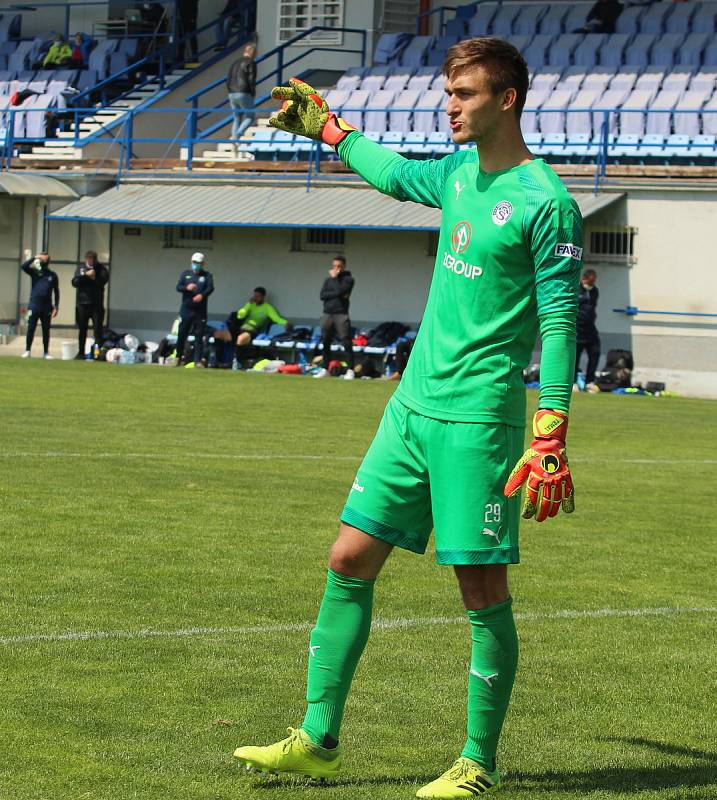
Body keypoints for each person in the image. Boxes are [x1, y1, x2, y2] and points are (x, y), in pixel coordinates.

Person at [234, 37, 582, 799]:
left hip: (477, 423)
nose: (449, 107)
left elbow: (559, 322)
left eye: (463, 95)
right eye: (447, 93)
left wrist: (549, 429)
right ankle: (317, 740)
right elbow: (392, 175)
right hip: (409, 411)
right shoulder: (457, 172)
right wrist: (331, 132)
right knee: (347, 559)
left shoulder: (545, 201)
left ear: (506, 100)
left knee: (480, 591)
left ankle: (476, 764)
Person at [314, 255, 355, 380]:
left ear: (344, 266)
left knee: (346, 341)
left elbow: (339, 291)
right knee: (326, 341)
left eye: (339, 266)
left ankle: (350, 370)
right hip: (327, 314)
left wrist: (334, 279)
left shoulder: (348, 279)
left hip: (341, 314)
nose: (336, 268)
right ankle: (325, 368)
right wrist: (336, 292)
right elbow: (322, 295)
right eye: (334, 266)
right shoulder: (328, 280)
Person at [224, 286, 289, 364]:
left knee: (241, 339)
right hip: (241, 328)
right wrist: (248, 304)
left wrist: (285, 323)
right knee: (222, 335)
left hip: (253, 330)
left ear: (263, 297)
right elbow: (240, 315)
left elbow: (276, 318)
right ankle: (218, 359)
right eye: (255, 296)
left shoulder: (267, 307)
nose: (256, 298)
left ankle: (237, 361)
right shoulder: (251, 305)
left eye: (258, 296)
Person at [175, 252, 214, 366]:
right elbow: (178, 287)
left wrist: (202, 295)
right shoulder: (185, 274)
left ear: (203, 264)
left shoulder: (207, 276)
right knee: (182, 334)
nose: (195, 265)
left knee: (199, 335)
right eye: (194, 262)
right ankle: (178, 357)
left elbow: (210, 288)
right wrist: (187, 287)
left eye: (198, 263)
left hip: (200, 311)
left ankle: (197, 361)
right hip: (186, 309)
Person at [21, 253, 59, 359]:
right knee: (31, 328)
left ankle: (46, 352)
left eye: (45, 260)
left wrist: (56, 306)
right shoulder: (35, 272)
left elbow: (56, 291)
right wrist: (34, 258)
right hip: (33, 305)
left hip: (47, 307)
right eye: (41, 260)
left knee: (46, 330)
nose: (43, 262)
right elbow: (23, 266)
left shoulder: (52, 275)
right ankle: (27, 350)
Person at [72, 250, 109, 360]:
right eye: (89, 259)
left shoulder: (101, 269)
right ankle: (81, 352)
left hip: (96, 304)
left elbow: (103, 281)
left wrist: (94, 278)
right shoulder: (81, 268)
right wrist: (85, 275)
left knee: (98, 330)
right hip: (82, 304)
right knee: (82, 329)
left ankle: (97, 353)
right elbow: (75, 282)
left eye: (93, 259)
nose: (91, 261)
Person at [227, 42, 257, 146]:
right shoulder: (251, 62)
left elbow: (228, 79)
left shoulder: (235, 63)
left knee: (236, 117)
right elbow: (251, 79)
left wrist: (230, 91)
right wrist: (253, 93)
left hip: (232, 93)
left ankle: (234, 140)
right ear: (252, 53)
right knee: (250, 116)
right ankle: (239, 134)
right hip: (244, 92)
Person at [575, 268, 601, 387]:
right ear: (585, 278)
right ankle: (573, 381)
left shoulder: (595, 291)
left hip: (590, 328)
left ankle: (589, 381)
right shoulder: (577, 289)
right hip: (577, 328)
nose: (592, 283)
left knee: (595, 352)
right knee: (575, 356)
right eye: (590, 281)